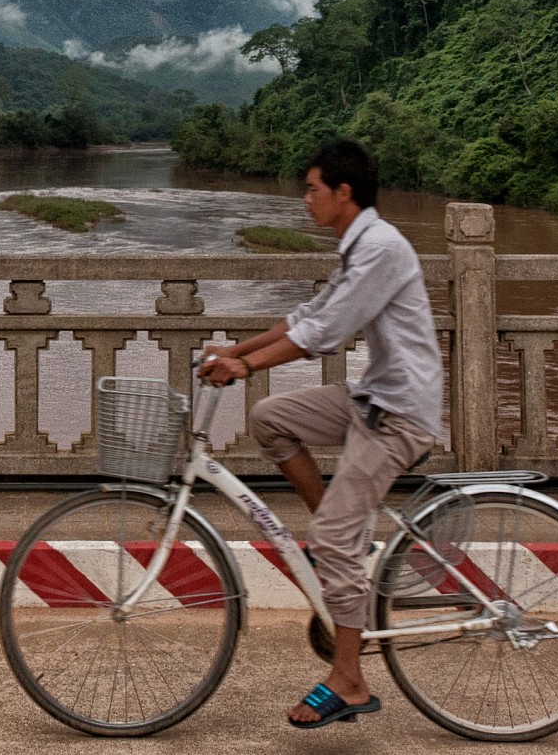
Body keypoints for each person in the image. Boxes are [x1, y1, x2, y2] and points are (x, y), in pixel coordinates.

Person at [201, 138, 441, 729]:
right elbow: (307, 315)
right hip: (371, 398)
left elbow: (323, 334)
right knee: (270, 419)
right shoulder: (358, 246)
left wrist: (247, 367)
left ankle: (350, 681)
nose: (305, 200)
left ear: (343, 192)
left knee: (332, 539)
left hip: (400, 412)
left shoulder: (380, 248)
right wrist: (238, 347)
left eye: (312, 189)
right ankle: (343, 536)